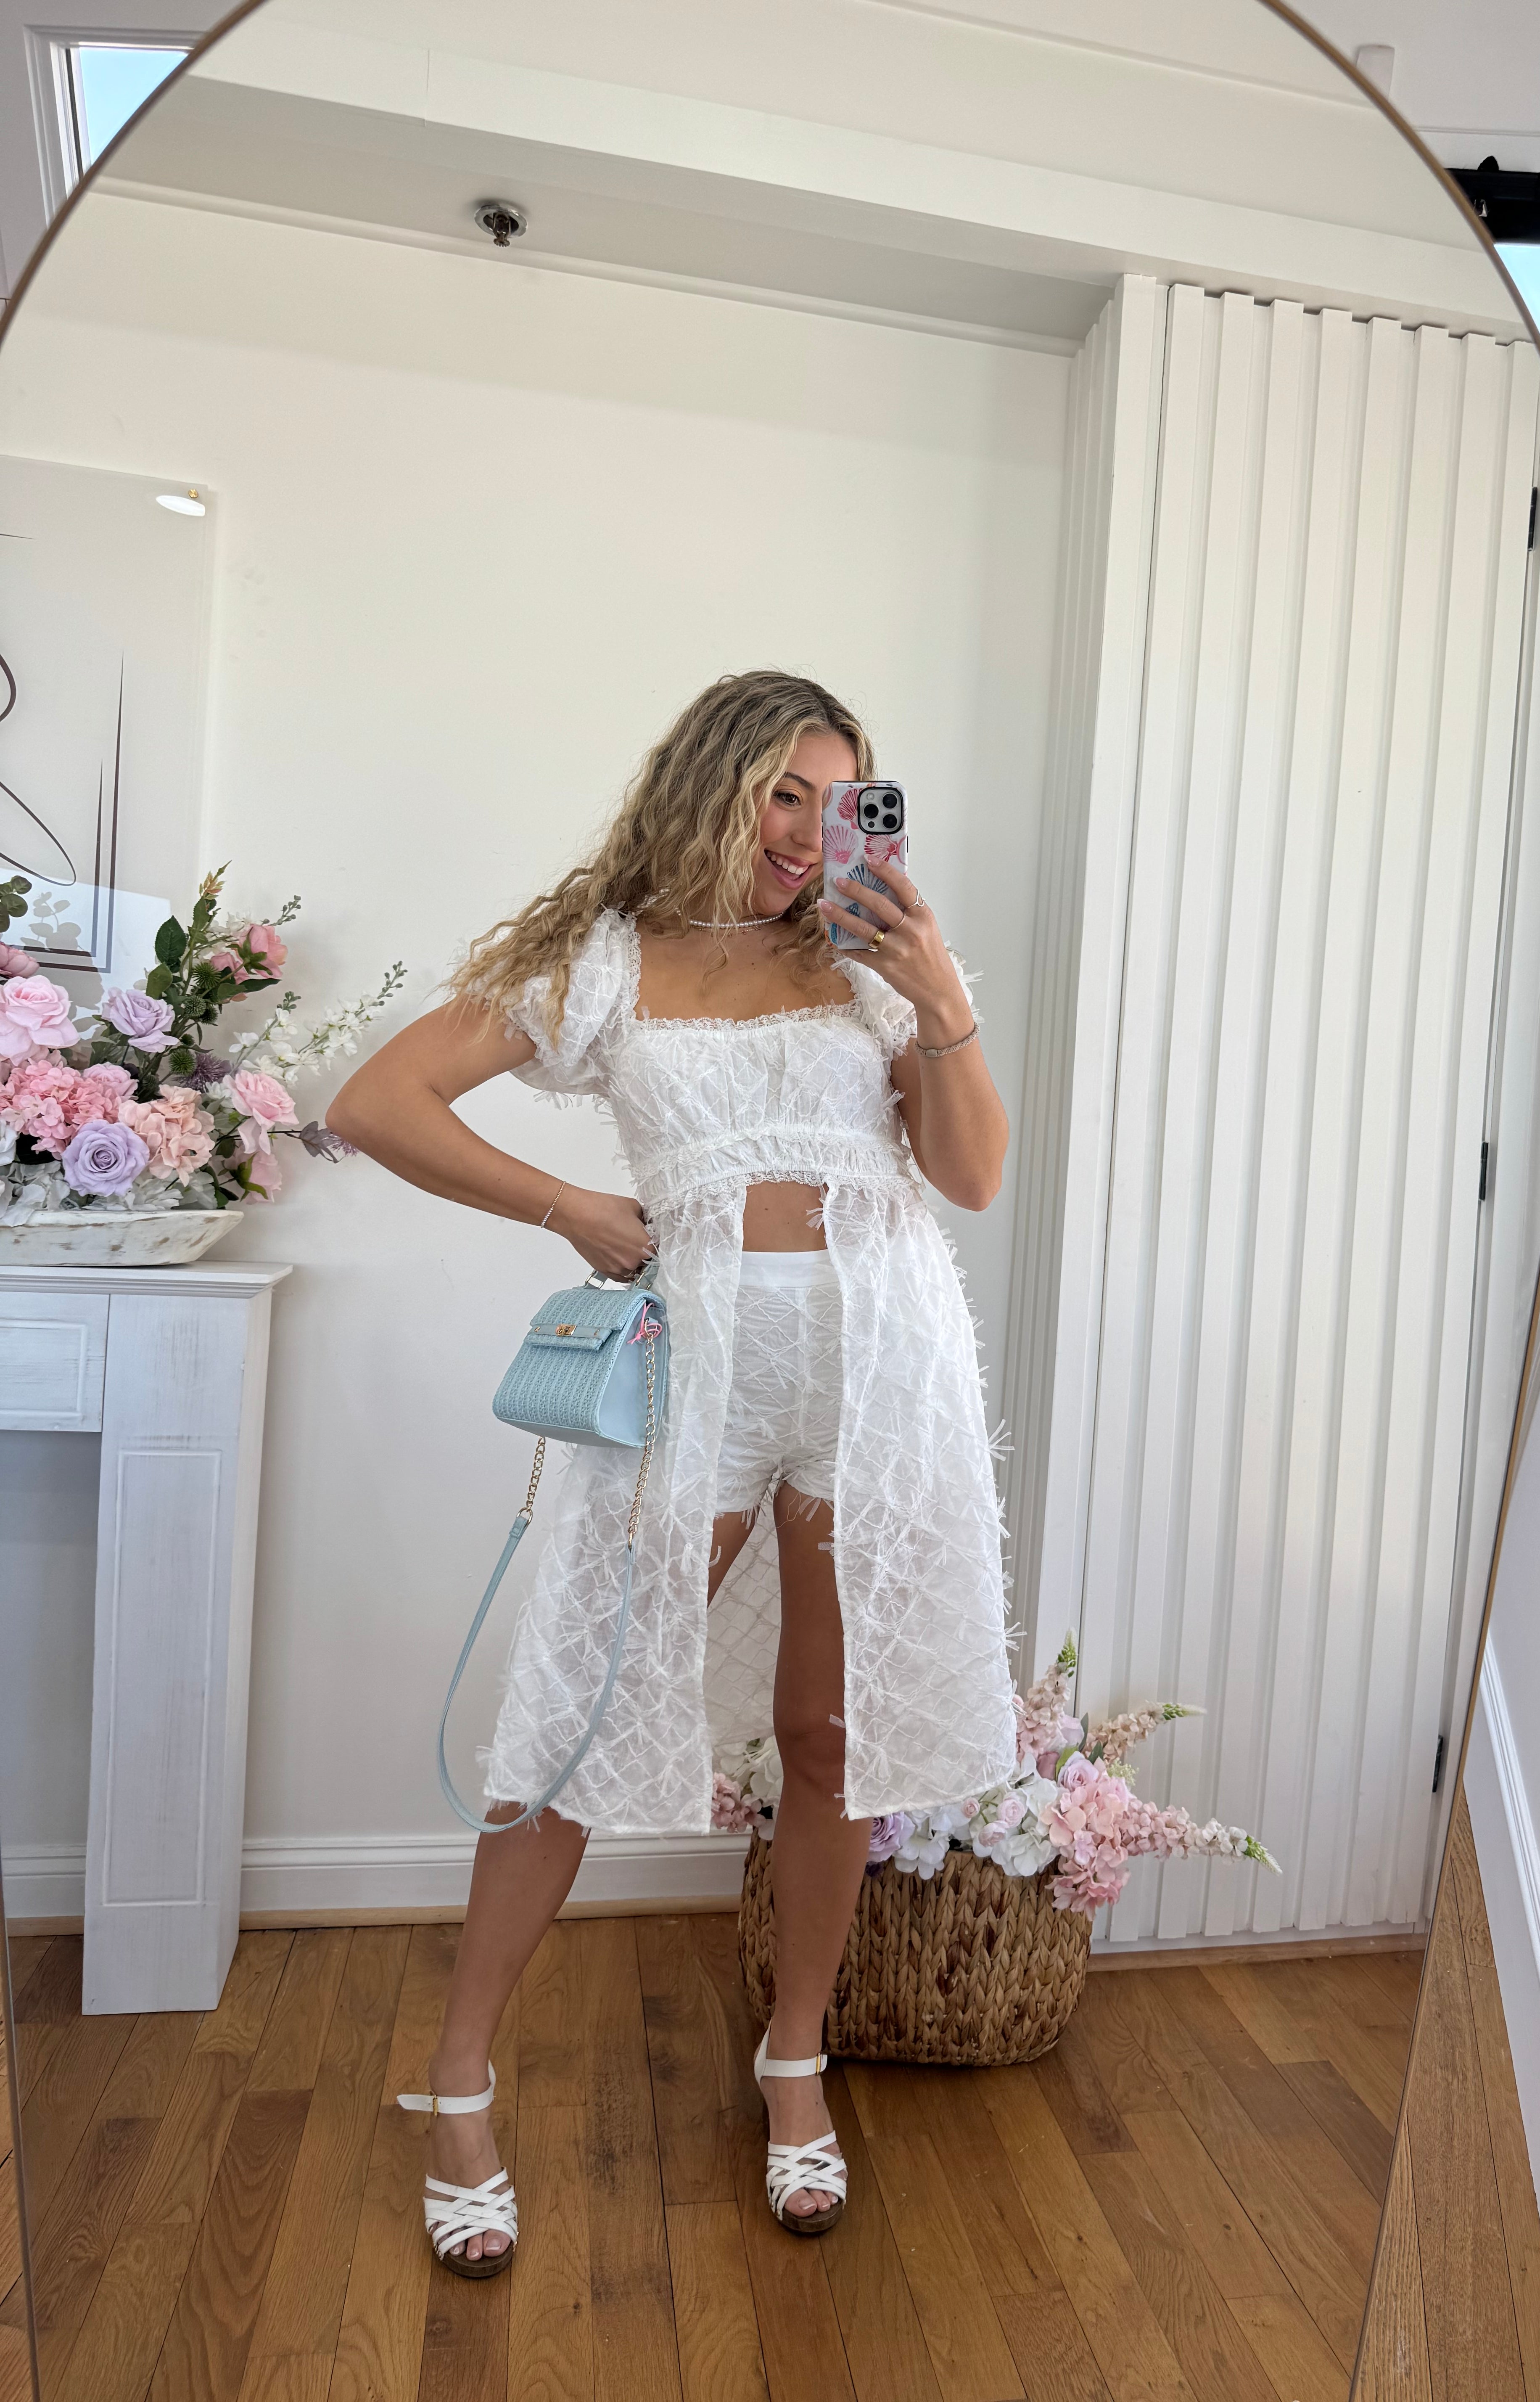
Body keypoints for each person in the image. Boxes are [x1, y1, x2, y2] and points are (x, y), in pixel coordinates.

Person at [326, 669, 1017, 2272]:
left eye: (838, 802)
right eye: (784, 794)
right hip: (691, 1369)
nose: (808, 834)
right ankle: (457, 2083)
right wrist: (569, 1208)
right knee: (574, 1719)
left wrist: (935, 992)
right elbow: (375, 1100)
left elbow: (971, 1177)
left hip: (875, 1370)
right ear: (713, 783)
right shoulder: (603, 957)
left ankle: (795, 2064)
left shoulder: (875, 963)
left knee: (831, 1732)